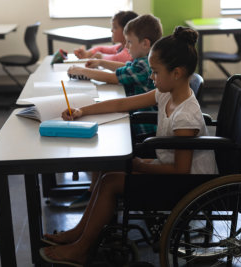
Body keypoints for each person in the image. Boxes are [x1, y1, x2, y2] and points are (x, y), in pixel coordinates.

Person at [39, 26, 217, 266]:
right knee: (106, 171)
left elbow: (180, 172)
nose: (151, 77)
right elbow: (122, 103)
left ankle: (81, 249)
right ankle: (80, 233)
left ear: (176, 73)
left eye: (155, 72)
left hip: (189, 185)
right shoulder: (167, 93)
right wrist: (83, 111)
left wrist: (139, 164)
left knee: (111, 179)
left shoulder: (185, 117)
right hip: (171, 171)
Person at [67, 14, 163, 209]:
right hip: (138, 123)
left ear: (145, 43)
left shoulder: (145, 65)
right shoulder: (143, 62)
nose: (126, 47)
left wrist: (85, 71)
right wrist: (100, 63)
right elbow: (124, 68)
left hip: (145, 132)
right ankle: (94, 191)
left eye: (129, 42)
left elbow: (116, 78)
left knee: (102, 139)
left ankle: (96, 193)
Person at [74, 10, 138, 63]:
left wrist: (101, 57)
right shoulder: (119, 47)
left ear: (126, 30)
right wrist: (87, 53)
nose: (112, 30)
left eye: (115, 27)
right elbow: (100, 49)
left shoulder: (131, 50)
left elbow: (118, 59)